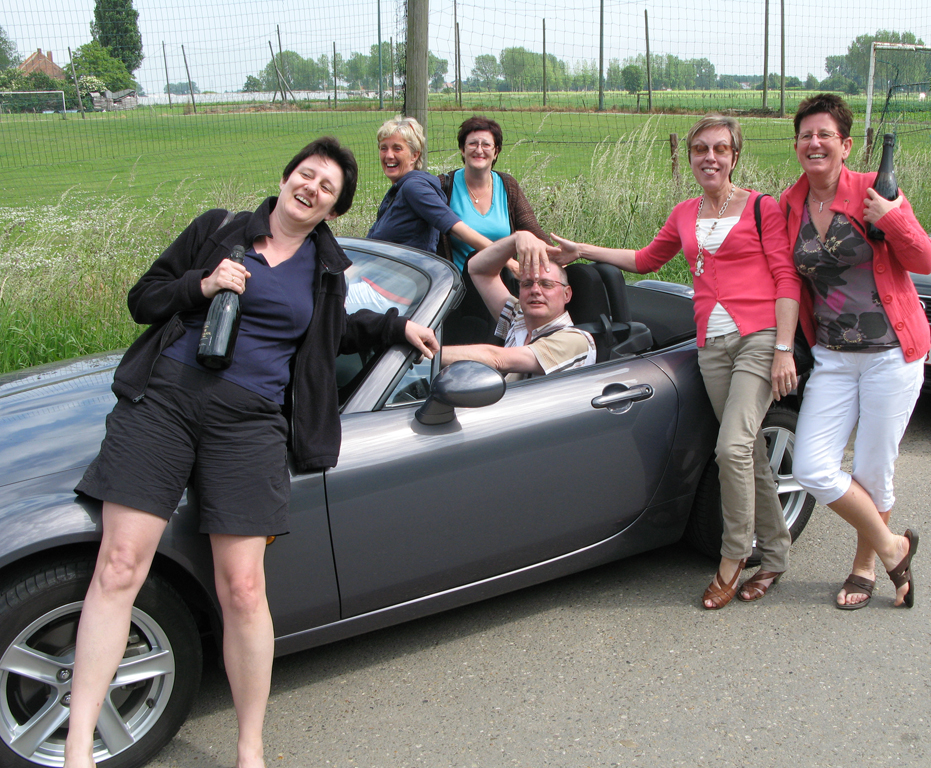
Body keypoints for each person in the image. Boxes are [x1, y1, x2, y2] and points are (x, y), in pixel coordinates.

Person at [68, 137, 438, 768]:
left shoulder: (327, 271)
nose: (311, 187)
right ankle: (79, 749)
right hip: (164, 405)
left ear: (334, 208)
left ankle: (250, 750)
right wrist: (203, 284)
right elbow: (144, 299)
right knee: (120, 566)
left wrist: (393, 325)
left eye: (326, 187)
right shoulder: (218, 230)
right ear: (287, 176)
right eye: (306, 174)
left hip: (248, 425)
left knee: (242, 588)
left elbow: (332, 331)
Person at [548, 115, 802, 609]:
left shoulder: (761, 207)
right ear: (690, 157)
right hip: (713, 345)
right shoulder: (685, 212)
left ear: (735, 156)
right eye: (700, 149)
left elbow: (786, 279)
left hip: (758, 337)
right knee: (747, 453)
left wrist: (784, 348)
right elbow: (646, 259)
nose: (710, 157)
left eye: (720, 149)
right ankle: (775, 554)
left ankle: (733, 557)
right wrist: (582, 250)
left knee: (731, 448)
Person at [780, 94, 931, 610]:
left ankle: (865, 566)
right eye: (806, 135)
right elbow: (785, 276)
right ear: (796, 145)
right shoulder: (789, 205)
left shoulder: (875, 190)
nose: (814, 143)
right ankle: (894, 548)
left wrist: (893, 217)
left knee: (872, 467)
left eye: (825, 135)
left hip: (893, 353)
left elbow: (924, 260)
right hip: (833, 357)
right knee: (811, 466)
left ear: (845, 145)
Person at [437, 115, 550, 344]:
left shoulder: (507, 186)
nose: (479, 150)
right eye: (472, 144)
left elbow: (534, 232)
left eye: (486, 145)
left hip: (504, 281)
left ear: (496, 152)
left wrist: (557, 261)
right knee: (475, 258)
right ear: (462, 149)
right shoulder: (443, 186)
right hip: (462, 287)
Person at [441, 230, 595, 380]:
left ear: (566, 294)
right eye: (527, 284)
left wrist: (432, 354)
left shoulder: (575, 341)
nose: (535, 290)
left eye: (546, 284)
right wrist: (516, 239)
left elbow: (497, 359)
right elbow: (478, 270)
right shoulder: (518, 318)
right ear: (519, 291)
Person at [367, 115, 490, 255]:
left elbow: (457, 228)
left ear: (414, 155)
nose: (389, 155)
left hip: (411, 268)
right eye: (383, 148)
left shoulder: (414, 187)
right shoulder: (397, 191)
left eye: (397, 148)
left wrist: (507, 261)